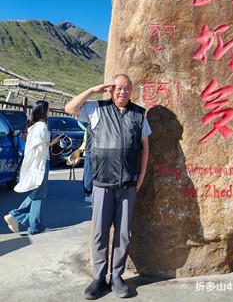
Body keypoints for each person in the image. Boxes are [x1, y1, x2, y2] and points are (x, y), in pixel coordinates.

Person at [64, 74, 151, 300]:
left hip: (128, 183)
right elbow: (70, 108)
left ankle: (117, 277)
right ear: (111, 89)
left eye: (127, 88)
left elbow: (145, 146)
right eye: (119, 87)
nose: (123, 91)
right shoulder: (97, 109)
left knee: (123, 233)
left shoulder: (139, 114)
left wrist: (142, 174)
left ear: (131, 90)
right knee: (100, 233)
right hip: (102, 182)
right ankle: (98, 278)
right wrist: (93, 90)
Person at [4, 100, 64, 235]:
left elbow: (38, 144)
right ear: (44, 111)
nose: (49, 111)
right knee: (39, 195)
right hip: (40, 163)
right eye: (48, 109)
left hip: (36, 162)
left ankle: (17, 217)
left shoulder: (35, 125)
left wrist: (52, 141)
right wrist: (51, 144)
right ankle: (32, 225)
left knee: (37, 193)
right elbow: (39, 147)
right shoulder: (42, 126)